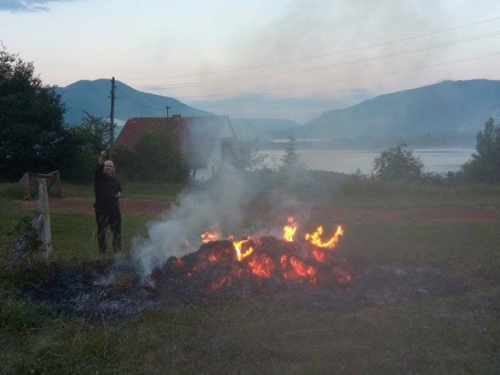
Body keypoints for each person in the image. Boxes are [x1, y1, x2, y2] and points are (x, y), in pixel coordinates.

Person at [94, 150, 122, 253]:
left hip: (114, 211)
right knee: (102, 232)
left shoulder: (116, 181)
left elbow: (119, 191)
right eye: (106, 166)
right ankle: (102, 252)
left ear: (113, 169)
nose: (108, 167)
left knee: (117, 232)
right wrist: (102, 156)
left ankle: (117, 252)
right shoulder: (99, 177)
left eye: (110, 166)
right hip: (101, 210)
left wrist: (119, 194)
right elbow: (99, 165)